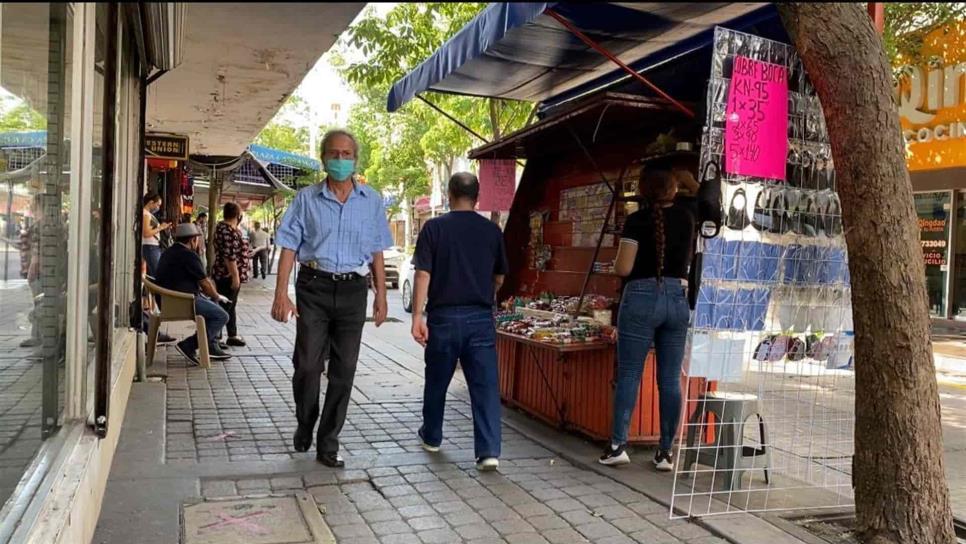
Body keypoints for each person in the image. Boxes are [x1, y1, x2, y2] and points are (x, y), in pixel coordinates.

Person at [272, 129, 393, 468]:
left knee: (345, 370)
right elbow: (288, 247)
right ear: (323, 159)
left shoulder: (371, 200)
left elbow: (377, 252)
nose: (340, 160)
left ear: (356, 159)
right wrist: (281, 293)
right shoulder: (307, 199)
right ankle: (305, 421)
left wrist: (381, 296)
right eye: (334, 154)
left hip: (353, 290)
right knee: (308, 366)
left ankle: (328, 441)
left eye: (346, 154)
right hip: (314, 287)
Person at [599, 163, 717, 471]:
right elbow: (697, 192)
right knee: (669, 379)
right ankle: (665, 452)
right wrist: (685, 181)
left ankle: (617, 446)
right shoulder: (688, 218)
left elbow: (623, 268)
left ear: (642, 191)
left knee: (629, 375)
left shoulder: (637, 221)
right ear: (674, 190)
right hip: (677, 300)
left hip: (639, 297)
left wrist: (615, 265)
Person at [411, 172, 508, 472]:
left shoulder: (433, 228)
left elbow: (423, 273)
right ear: (477, 197)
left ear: (450, 194)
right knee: (485, 385)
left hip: (443, 317)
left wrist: (417, 315)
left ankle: (432, 436)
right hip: (480, 318)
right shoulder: (492, 232)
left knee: (437, 380)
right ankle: (488, 451)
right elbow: (500, 276)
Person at [155, 223, 233, 366]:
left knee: (213, 303)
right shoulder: (189, 255)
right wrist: (217, 295)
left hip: (167, 300)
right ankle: (190, 344)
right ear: (192, 240)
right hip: (183, 302)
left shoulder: (168, 252)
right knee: (221, 315)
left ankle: (211, 345)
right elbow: (205, 283)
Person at [212, 202, 248, 348]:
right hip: (227, 275)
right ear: (238, 215)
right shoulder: (228, 231)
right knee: (225, 306)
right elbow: (229, 256)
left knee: (230, 305)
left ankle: (231, 334)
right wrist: (235, 276)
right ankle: (215, 337)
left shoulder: (224, 228)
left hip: (224, 273)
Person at [142, 193, 171, 277]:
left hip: (152, 246)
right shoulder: (146, 214)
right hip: (150, 246)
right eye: (157, 205)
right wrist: (160, 228)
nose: (158, 207)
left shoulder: (148, 214)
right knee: (158, 273)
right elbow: (146, 233)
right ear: (151, 202)